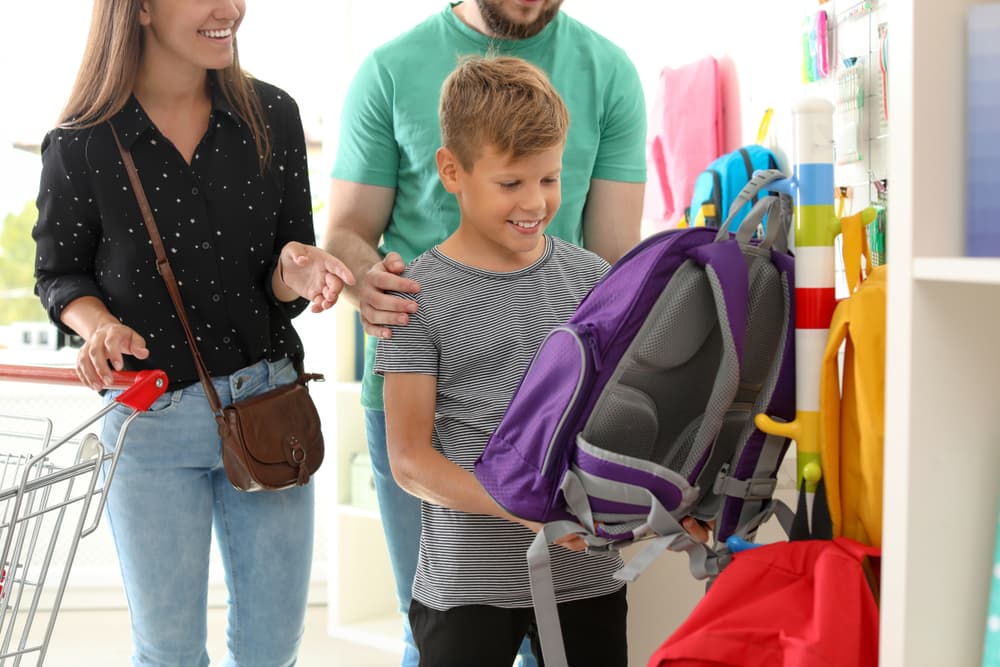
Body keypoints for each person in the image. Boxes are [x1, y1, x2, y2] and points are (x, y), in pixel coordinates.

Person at [323, 2, 647, 663]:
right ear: (454, 172)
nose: (534, 201)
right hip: (427, 392)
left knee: (557, 628)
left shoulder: (609, 72)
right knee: (441, 622)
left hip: (557, 414)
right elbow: (346, 233)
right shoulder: (387, 71)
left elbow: (617, 275)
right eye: (511, 182)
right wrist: (374, 283)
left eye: (549, 179)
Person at [32, 1, 354, 664]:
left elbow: (281, 271)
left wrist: (299, 269)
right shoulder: (82, 141)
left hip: (270, 407)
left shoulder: (274, 116)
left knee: (271, 649)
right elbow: (60, 275)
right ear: (142, 8)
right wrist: (98, 327)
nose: (230, 9)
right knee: (169, 652)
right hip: (151, 422)